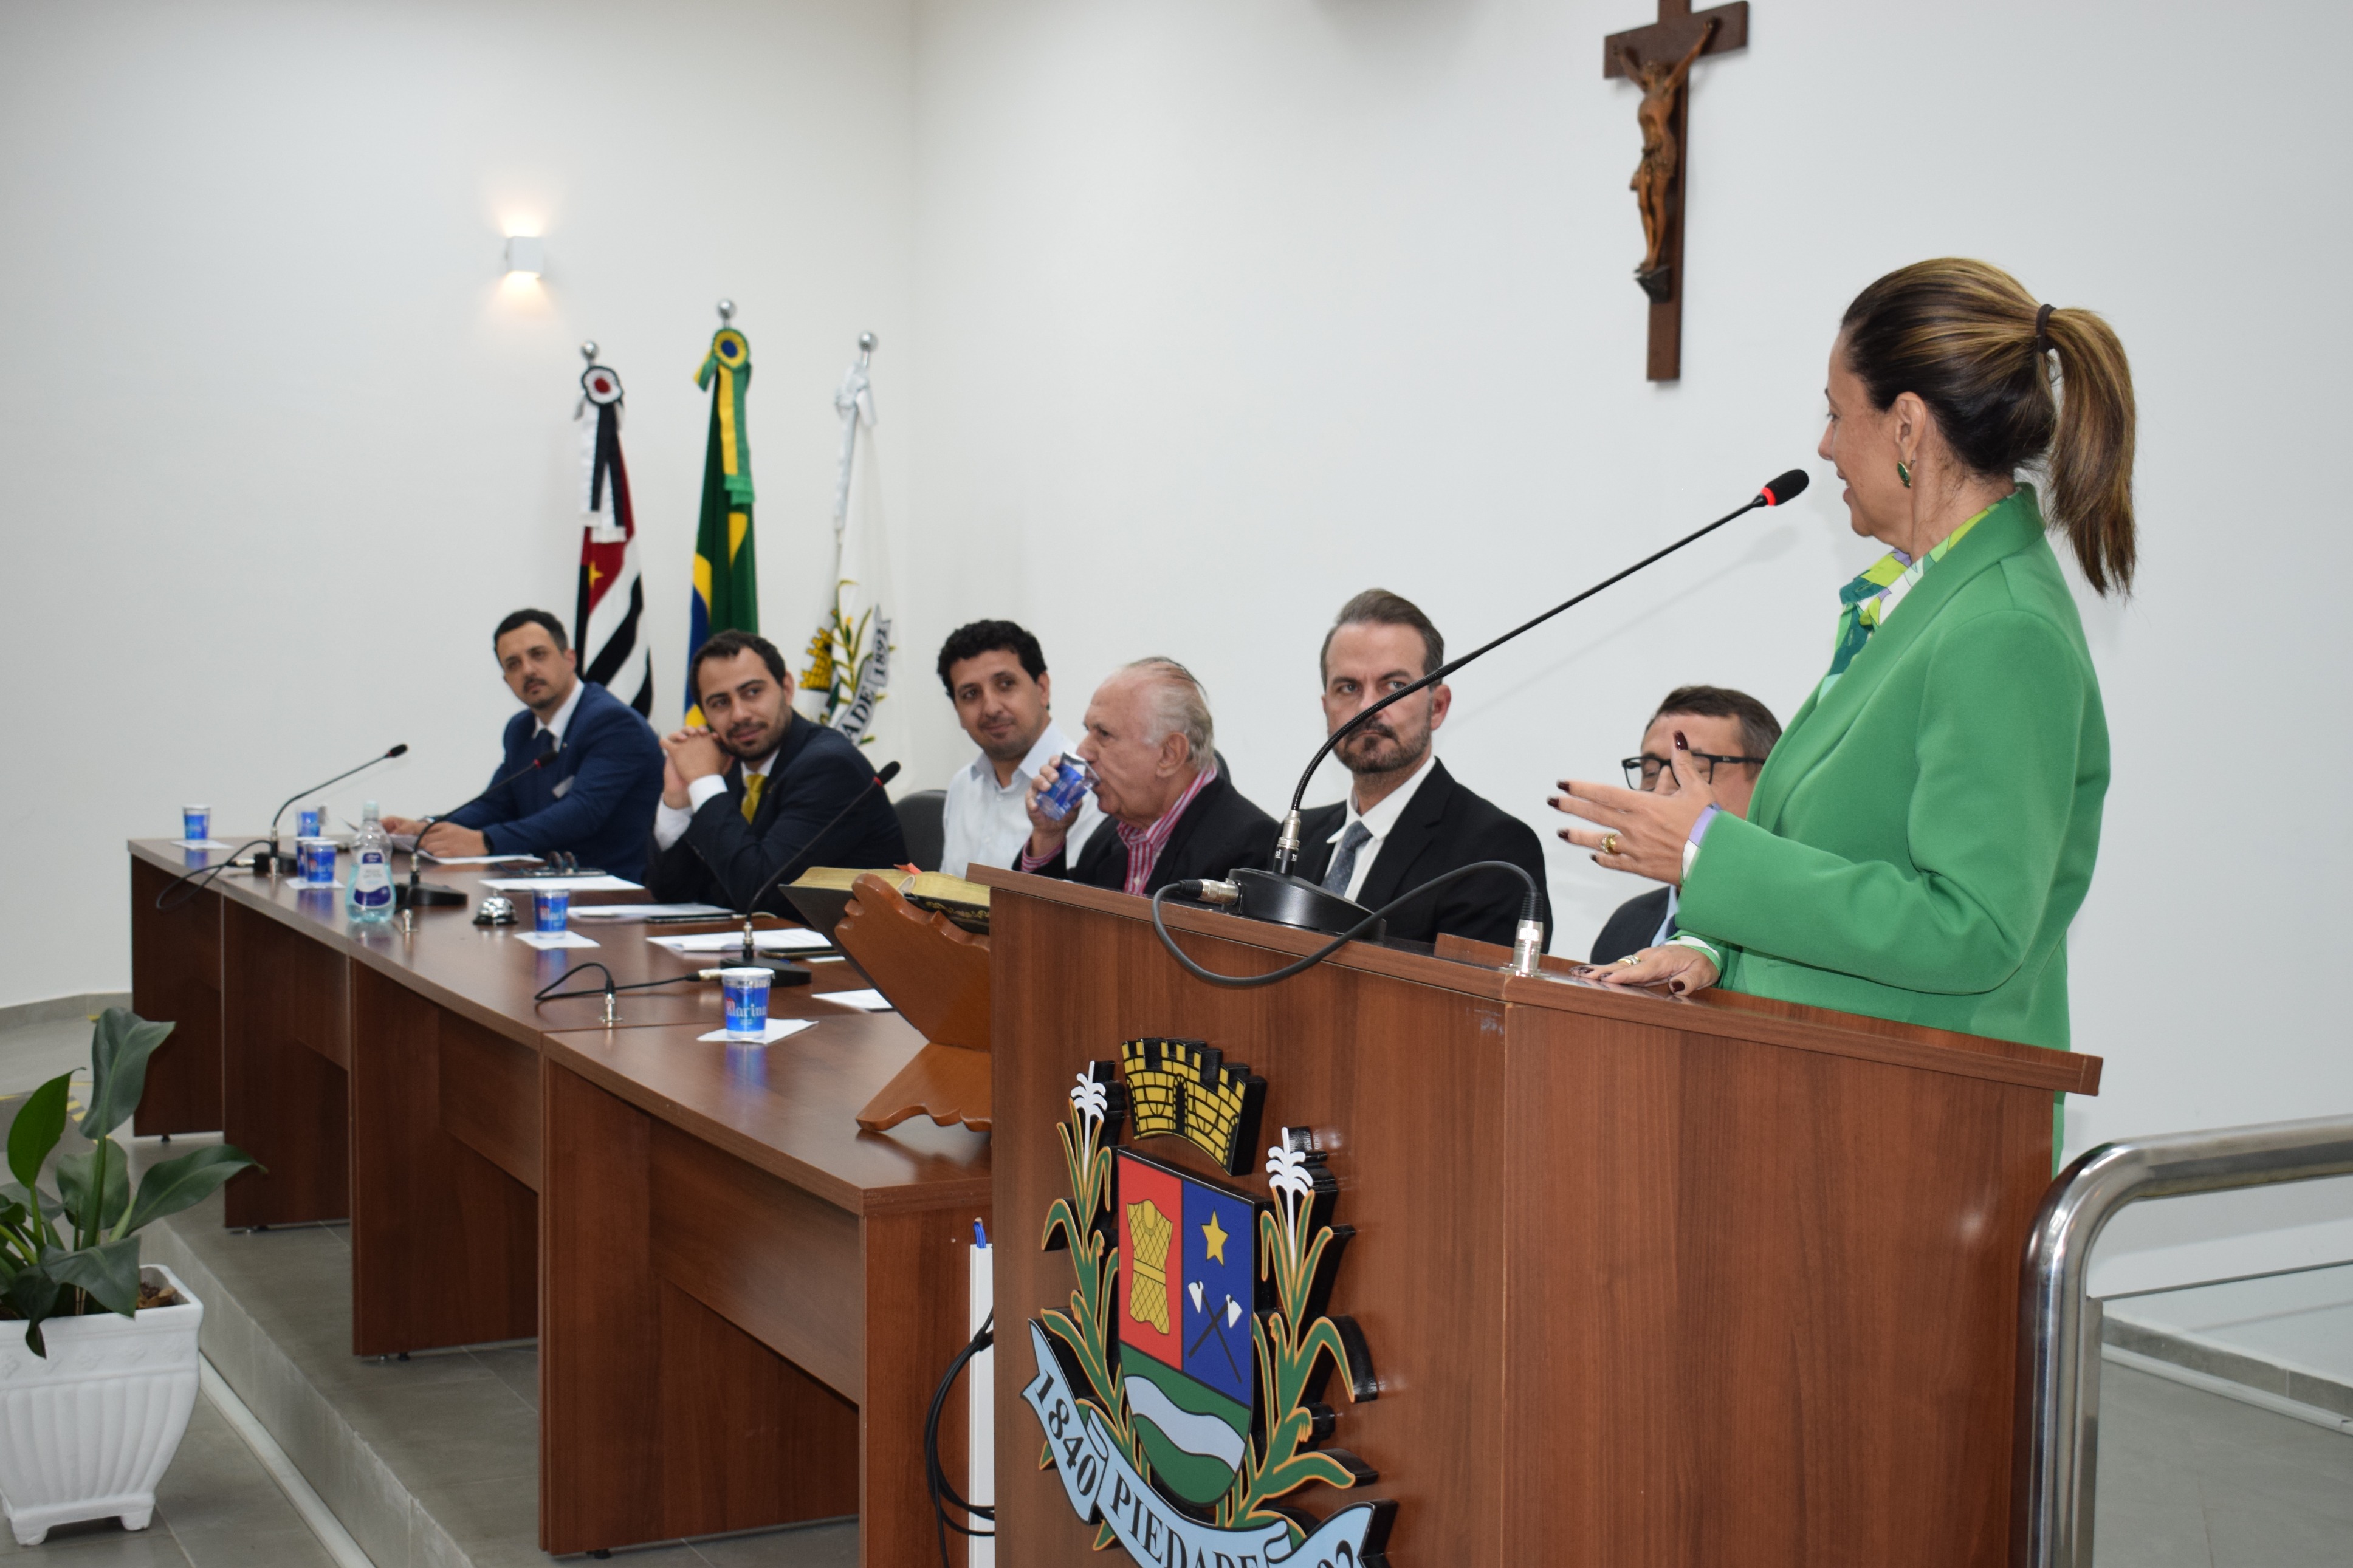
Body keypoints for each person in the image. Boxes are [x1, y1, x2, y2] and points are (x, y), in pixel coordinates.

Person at [1551, 258, 2132, 1062]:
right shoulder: (1923, 604)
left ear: (1906, 426)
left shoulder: (2002, 627)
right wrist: (1717, 953)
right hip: (1831, 1096)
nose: (1823, 446)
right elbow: (1849, 870)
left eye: (1835, 413)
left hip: (1924, 1118)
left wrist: (1705, 853)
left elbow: (1975, 930)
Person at [1293, 590, 1552, 950]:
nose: (1368, 706)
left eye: (1395, 686)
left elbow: (1473, 1004)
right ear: (1326, 708)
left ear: (1438, 706)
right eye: (1348, 687)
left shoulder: (1493, 851)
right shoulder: (1298, 837)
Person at [382, 608, 662, 882]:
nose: (528, 670)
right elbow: (496, 804)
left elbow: (583, 812)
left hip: (617, 893)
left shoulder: (612, 723)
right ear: (507, 680)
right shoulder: (521, 729)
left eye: (538, 655)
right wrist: (430, 827)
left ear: (569, 659)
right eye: (513, 664)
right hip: (549, 885)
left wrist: (486, 842)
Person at [645, 630, 907, 912]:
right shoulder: (729, 765)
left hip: (843, 952)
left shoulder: (829, 767)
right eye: (720, 703)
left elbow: (761, 893)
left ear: (787, 688)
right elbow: (668, 891)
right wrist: (677, 802)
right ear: (704, 714)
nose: (740, 715)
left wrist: (705, 782)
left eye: (753, 692)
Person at [1017, 657, 1274, 895]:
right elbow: (1050, 928)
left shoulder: (1252, 850)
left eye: (1104, 734)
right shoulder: (1109, 838)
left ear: (1169, 754)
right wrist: (1048, 835)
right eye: (1088, 730)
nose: (1083, 751)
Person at [1587, 685, 1779, 964]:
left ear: (1768, 782)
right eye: (1650, 772)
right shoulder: (1626, 924)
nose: (1661, 790)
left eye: (1696, 770)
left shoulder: (1789, 930)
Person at [935, 619, 1103, 878]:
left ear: (1043, 689)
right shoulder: (962, 786)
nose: (991, 708)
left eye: (1005, 685)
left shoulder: (1088, 786)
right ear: (957, 711)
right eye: (971, 694)